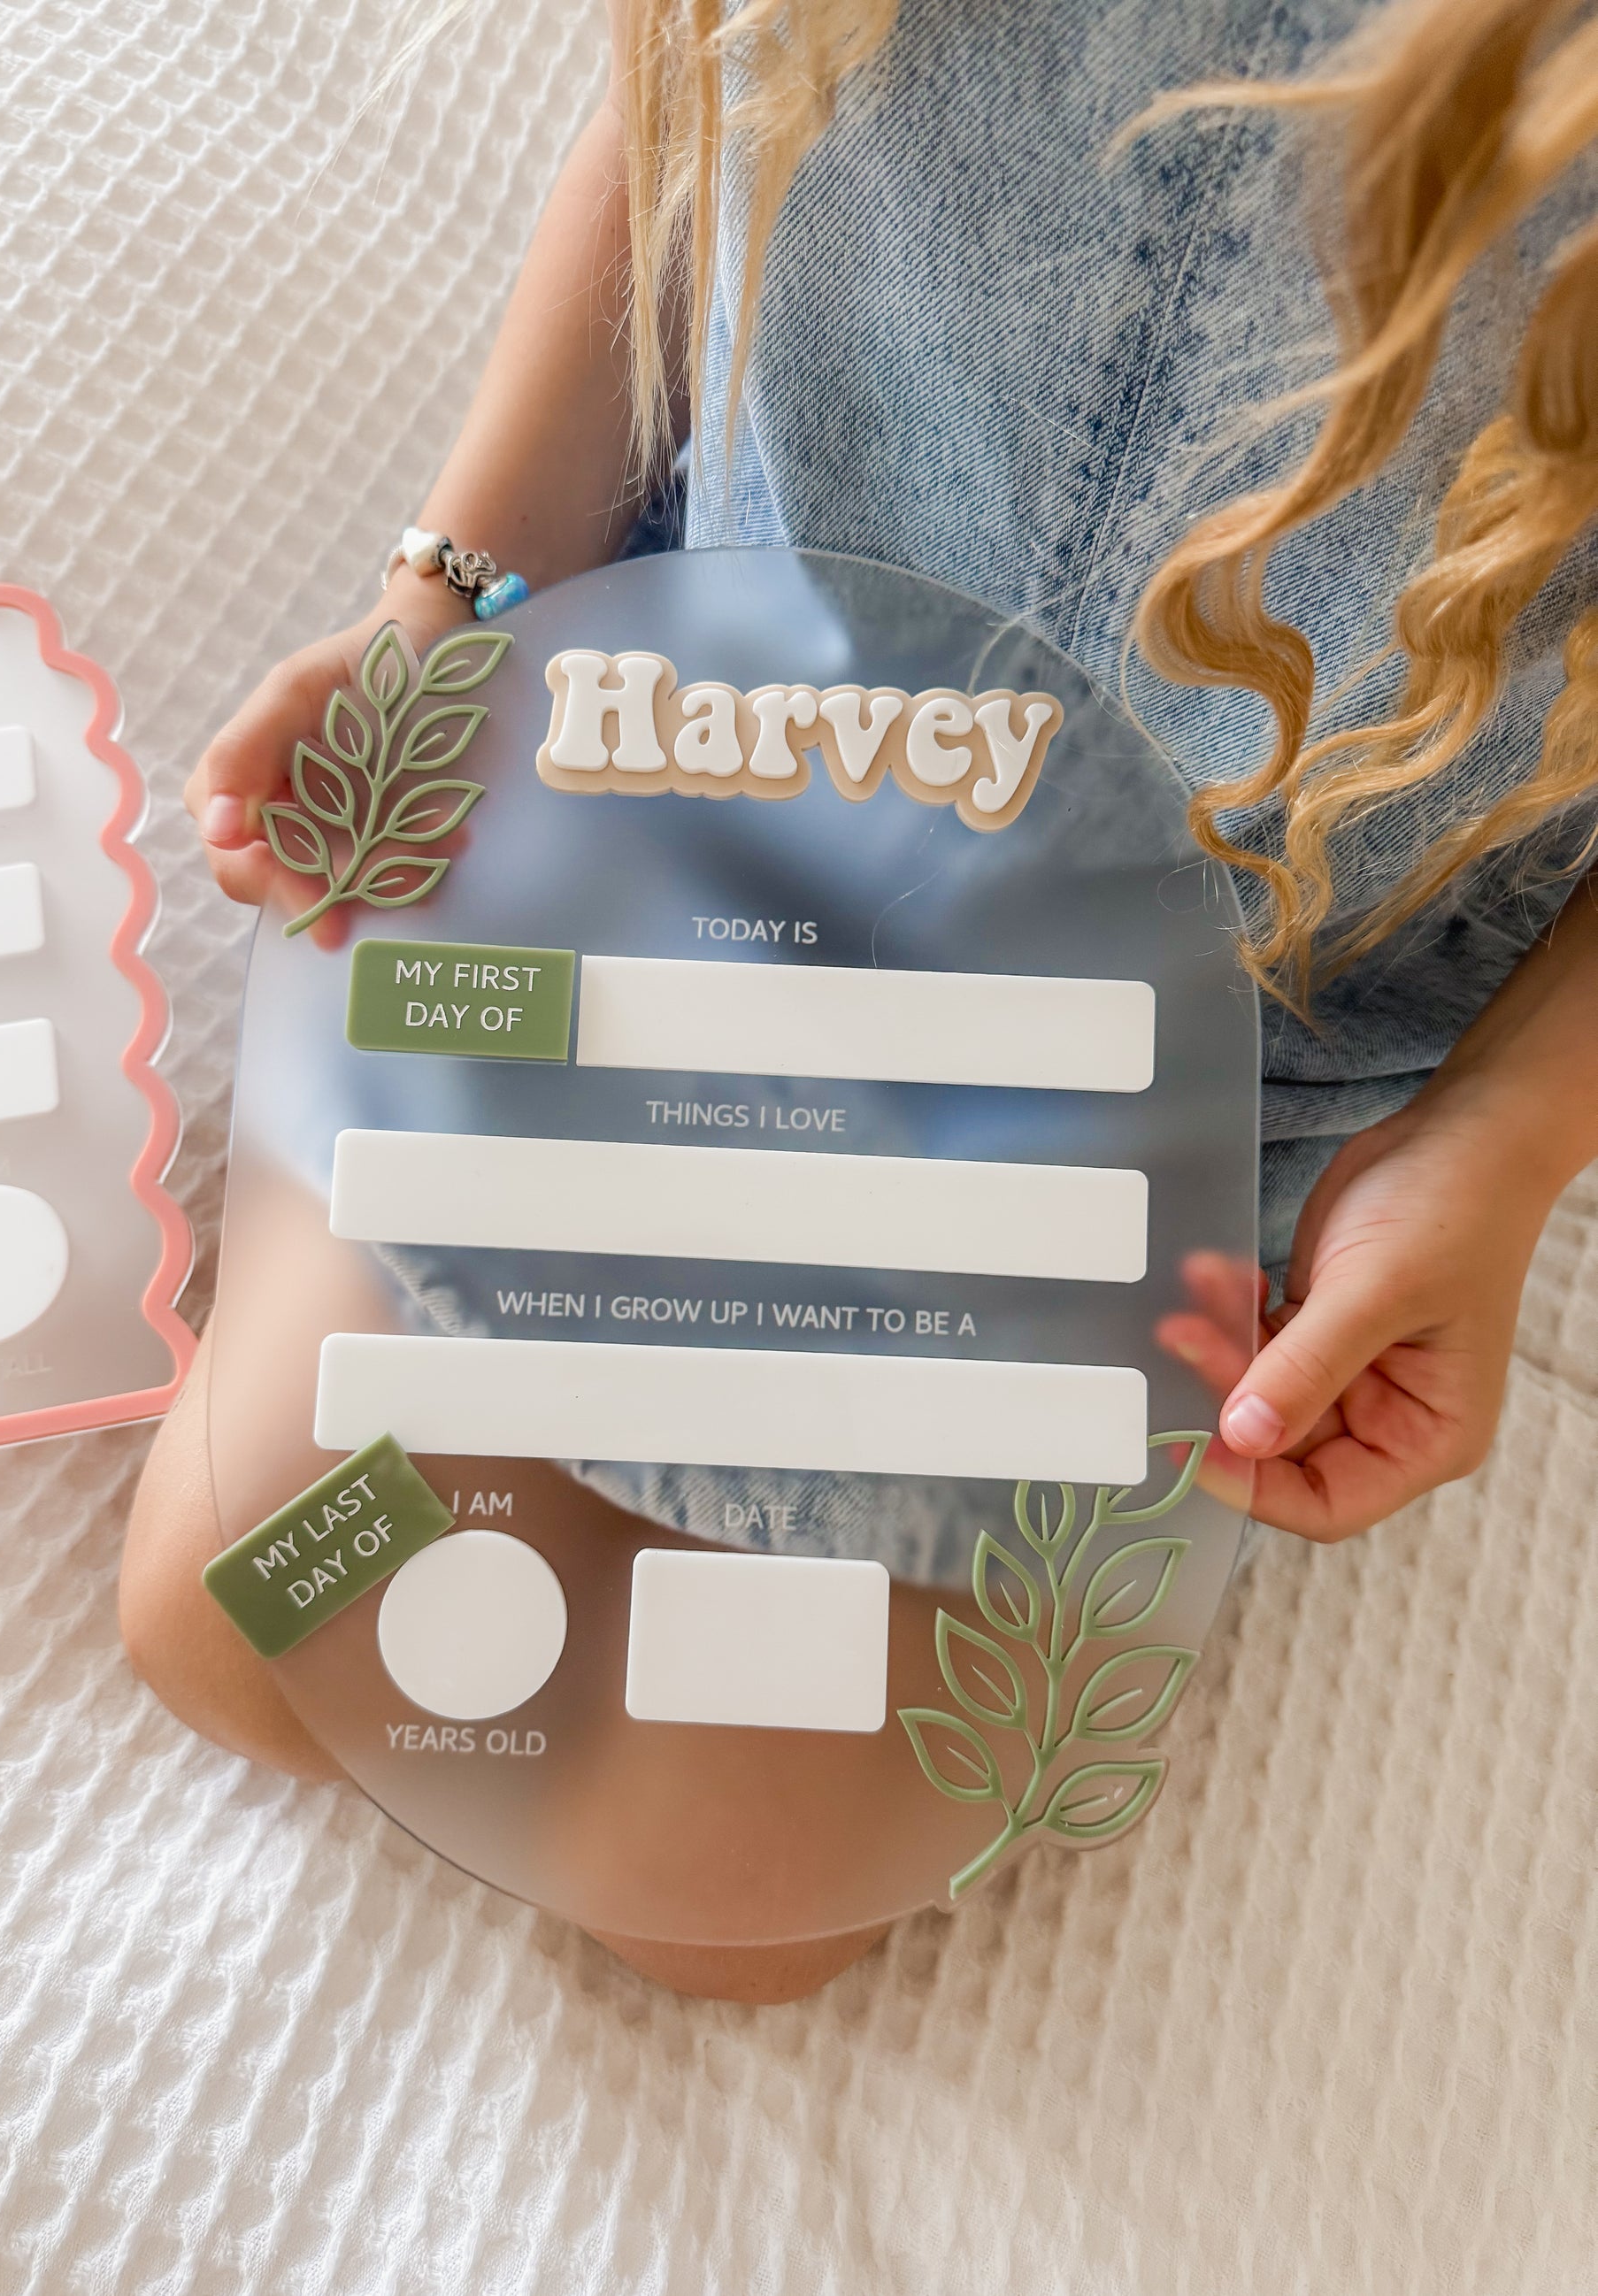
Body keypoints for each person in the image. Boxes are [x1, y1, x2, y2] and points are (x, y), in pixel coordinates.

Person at [123, 0, 1598, 1999]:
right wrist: (450, 605)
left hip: (1203, 1041)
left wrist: (1499, 1139)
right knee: (236, 1631)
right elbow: (685, 103)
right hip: (688, 783)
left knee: (715, 1906)